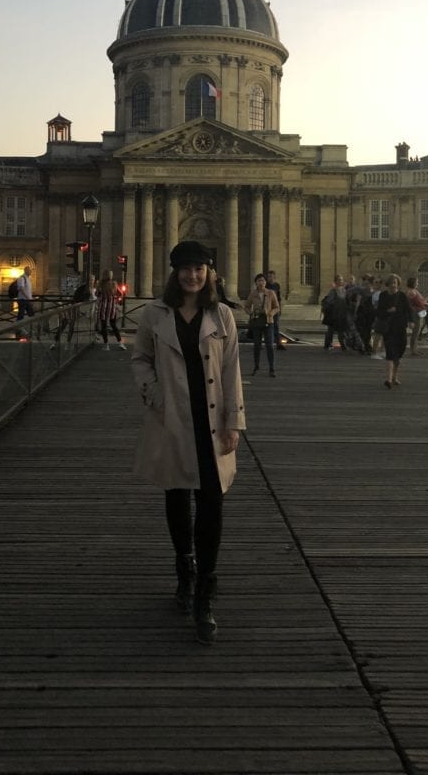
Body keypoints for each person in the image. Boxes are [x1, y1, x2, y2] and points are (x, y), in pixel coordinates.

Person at [130, 240, 244, 645]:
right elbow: (139, 358)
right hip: (172, 419)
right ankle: (185, 568)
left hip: (212, 421)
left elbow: (232, 372)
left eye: (199, 269)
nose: (192, 276)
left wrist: (235, 423)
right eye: (185, 269)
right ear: (174, 273)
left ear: (209, 272)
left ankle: (205, 592)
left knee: (212, 502)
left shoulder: (223, 314)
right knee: (177, 498)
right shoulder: (154, 314)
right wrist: (154, 394)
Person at [375, 273, 414, 388]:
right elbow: (378, 312)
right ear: (387, 284)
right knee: (390, 354)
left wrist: (411, 321)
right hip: (389, 329)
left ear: (398, 284)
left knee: (399, 353)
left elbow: (409, 310)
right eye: (391, 283)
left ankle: (394, 376)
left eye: (395, 283)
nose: (393, 285)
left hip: (400, 328)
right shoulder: (383, 296)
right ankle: (389, 379)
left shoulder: (402, 296)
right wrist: (388, 311)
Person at [243, 273, 279, 377]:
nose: (261, 282)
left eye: (263, 280)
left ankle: (272, 368)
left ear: (265, 282)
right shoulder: (253, 294)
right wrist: (251, 313)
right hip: (257, 321)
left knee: (269, 346)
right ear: (256, 283)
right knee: (257, 346)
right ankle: (256, 367)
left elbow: (276, 307)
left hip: (268, 321)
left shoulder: (270, 293)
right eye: (259, 280)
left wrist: (270, 313)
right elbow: (247, 306)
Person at [97, 269, 125, 350]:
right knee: (114, 326)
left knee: (104, 326)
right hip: (112, 307)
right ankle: (120, 343)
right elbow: (120, 294)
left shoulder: (101, 284)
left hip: (103, 307)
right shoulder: (114, 284)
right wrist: (115, 300)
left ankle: (106, 345)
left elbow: (97, 294)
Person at [321, 275, 348, 352]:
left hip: (342, 314)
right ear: (335, 281)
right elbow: (329, 301)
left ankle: (343, 346)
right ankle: (328, 345)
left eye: (341, 280)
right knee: (330, 331)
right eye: (339, 280)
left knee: (341, 332)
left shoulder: (344, 290)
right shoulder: (333, 291)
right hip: (334, 314)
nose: (340, 281)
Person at [405, 276, 428, 356]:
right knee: (415, 332)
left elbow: (422, 301)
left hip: (418, 312)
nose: (417, 283)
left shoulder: (415, 291)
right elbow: (418, 302)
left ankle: (415, 348)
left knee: (417, 332)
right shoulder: (411, 292)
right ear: (413, 283)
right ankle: (412, 350)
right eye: (417, 282)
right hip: (414, 313)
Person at [265, 270, 285, 350]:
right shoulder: (265, 285)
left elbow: (279, 298)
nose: (270, 278)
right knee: (266, 326)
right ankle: (268, 343)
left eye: (271, 276)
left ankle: (278, 344)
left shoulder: (277, 285)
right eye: (269, 276)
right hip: (267, 308)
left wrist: (279, 308)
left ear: (274, 277)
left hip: (275, 308)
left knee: (276, 326)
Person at [15, 266, 35, 335]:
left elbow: (28, 290)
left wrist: (30, 298)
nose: (31, 272)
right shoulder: (22, 278)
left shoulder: (28, 279)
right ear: (26, 270)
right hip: (23, 300)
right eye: (30, 270)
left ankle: (28, 329)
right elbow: (21, 289)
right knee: (21, 314)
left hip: (27, 300)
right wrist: (28, 298)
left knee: (31, 314)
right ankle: (19, 329)